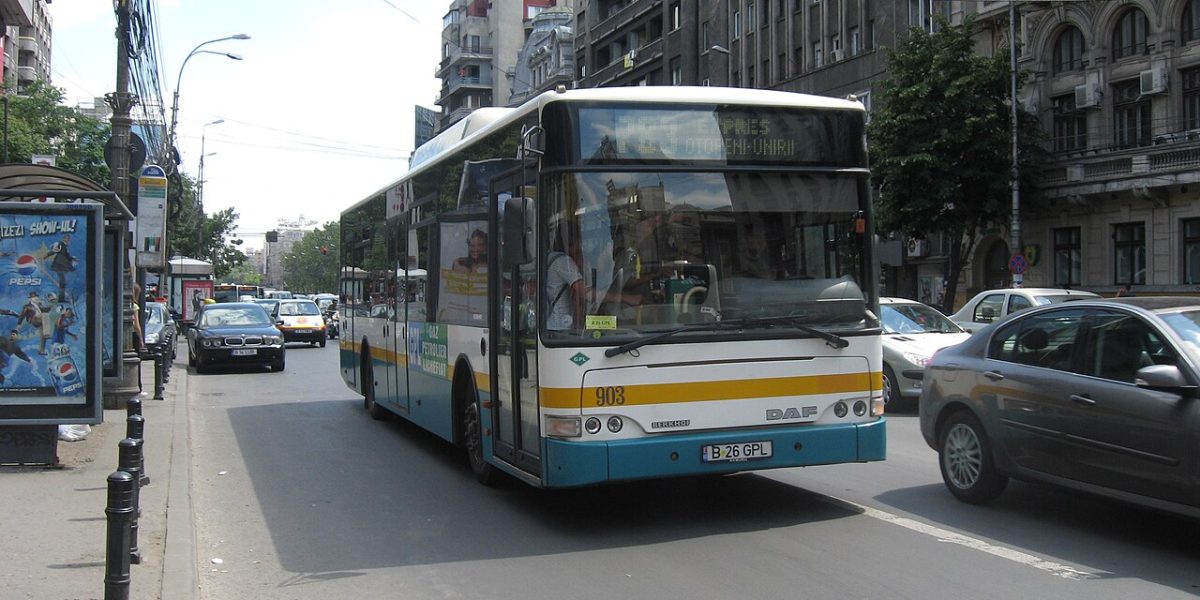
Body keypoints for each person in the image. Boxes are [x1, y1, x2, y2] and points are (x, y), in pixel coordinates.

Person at [46, 233, 77, 300]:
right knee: (62, 281)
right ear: (64, 239)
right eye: (67, 238)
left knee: (63, 281)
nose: (68, 240)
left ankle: (62, 297)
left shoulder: (65, 246)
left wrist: (73, 259)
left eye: (69, 239)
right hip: (59, 265)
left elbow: (67, 256)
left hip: (62, 265)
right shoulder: (60, 244)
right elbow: (54, 251)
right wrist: (45, 256)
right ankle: (61, 297)